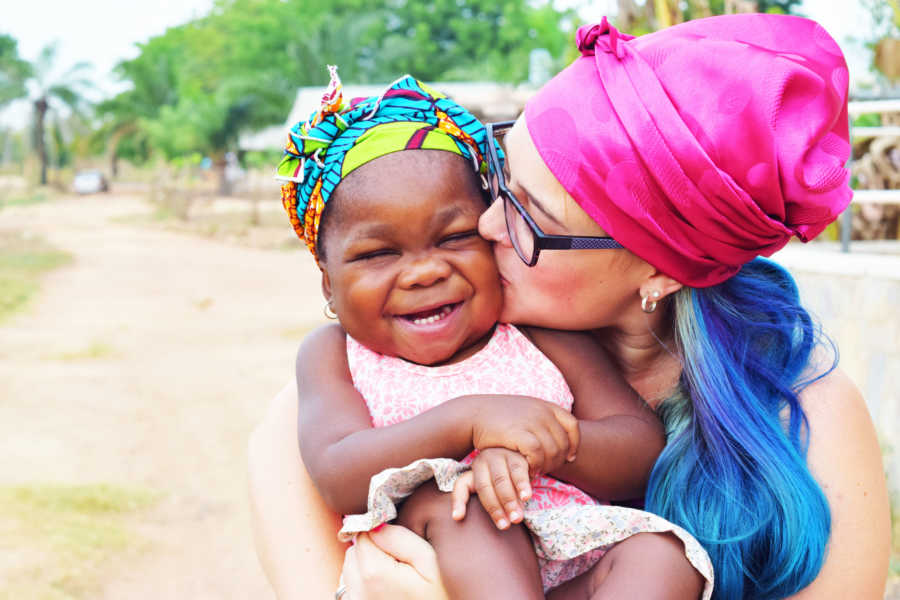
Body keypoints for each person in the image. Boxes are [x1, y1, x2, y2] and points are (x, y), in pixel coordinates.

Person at [248, 13, 892, 600]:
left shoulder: (804, 419)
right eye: (501, 183)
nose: (490, 224)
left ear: (660, 271)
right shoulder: (338, 395)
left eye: (532, 215)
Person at [271, 68, 712, 599]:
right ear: (327, 279)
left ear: (489, 232)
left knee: (661, 555)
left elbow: (641, 450)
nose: (423, 272)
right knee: (454, 503)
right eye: (377, 253)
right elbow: (338, 472)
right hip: (437, 565)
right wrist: (471, 421)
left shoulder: (531, 333)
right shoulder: (336, 354)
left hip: (572, 559)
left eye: (455, 237)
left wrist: (540, 446)